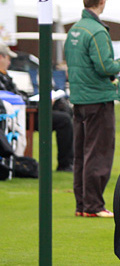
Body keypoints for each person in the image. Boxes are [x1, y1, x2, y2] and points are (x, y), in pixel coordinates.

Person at [65, 0, 120, 217]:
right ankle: (94, 206)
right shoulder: (97, 31)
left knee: (81, 152)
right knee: (98, 152)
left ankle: (82, 205)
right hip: (98, 98)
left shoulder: (75, 29)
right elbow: (105, 67)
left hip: (79, 98)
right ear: (102, 0)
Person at [0, 42, 74, 172]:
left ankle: (68, 163)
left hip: (24, 113)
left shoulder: (5, 75)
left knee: (64, 112)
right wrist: (39, 104)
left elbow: (18, 95)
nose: (10, 61)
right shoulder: (2, 77)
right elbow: (12, 100)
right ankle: (66, 164)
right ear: (1, 57)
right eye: (8, 58)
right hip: (19, 117)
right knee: (64, 120)